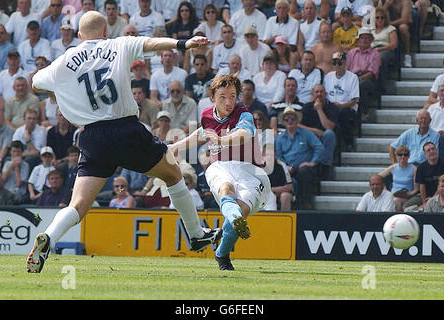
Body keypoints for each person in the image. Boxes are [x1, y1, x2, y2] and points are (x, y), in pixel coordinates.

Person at [27, 11, 221, 273]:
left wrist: (64, 87)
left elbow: (35, 83)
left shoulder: (64, 61)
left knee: (79, 205)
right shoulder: (118, 44)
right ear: (105, 31)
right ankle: (196, 235)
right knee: (174, 174)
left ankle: (48, 238)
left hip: (93, 138)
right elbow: (151, 43)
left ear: (80, 36)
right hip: (126, 129)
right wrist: (182, 44)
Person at [169, 74, 272, 271]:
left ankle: (222, 252)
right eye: (223, 96)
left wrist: (221, 140)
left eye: (233, 96)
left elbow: (244, 134)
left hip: (251, 171)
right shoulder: (207, 115)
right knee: (226, 189)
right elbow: (202, 133)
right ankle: (234, 219)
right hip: (221, 166)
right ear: (213, 97)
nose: (228, 101)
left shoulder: (244, 115)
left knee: (241, 208)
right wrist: (177, 146)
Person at [275, 107, 325, 210]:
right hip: (288, 168)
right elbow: (278, 157)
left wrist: (312, 162)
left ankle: (305, 204)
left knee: (303, 172)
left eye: (292, 118)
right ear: (283, 122)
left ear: (297, 120)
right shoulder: (279, 139)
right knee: (285, 177)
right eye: (287, 119)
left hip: (305, 167)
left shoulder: (306, 134)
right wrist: (286, 167)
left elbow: (319, 147)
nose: (290, 121)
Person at [299, 83, 339, 178]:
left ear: (326, 94)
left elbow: (329, 127)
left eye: (321, 92)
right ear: (312, 94)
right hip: (311, 137)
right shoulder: (307, 107)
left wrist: (319, 110)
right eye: (316, 92)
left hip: (325, 138)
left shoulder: (332, 107)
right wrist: (314, 131)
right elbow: (298, 124)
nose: (319, 94)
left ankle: (325, 166)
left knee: (329, 133)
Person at [324, 51, 359, 152]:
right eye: (334, 63)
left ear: (345, 63)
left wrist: (341, 106)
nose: (337, 66)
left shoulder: (353, 77)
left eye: (340, 63)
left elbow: (354, 100)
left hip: (346, 107)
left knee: (341, 114)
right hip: (331, 107)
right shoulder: (328, 76)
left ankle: (348, 142)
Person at [345, 27, 381, 119]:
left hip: (368, 79)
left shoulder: (375, 54)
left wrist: (358, 79)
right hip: (352, 76)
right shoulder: (352, 52)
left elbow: (372, 72)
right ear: (358, 40)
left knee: (361, 85)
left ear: (371, 40)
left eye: (367, 38)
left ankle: (363, 112)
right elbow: (347, 68)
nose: (364, 40)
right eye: (362, 38)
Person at [378, 145, 418, 212]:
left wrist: (409, 194)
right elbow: (378, 177)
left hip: (407, 195)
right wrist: (385, 190)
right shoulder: (393, 167)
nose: (403, 157)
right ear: (396, 156)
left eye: (405, 155)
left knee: (396, 201)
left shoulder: (414, 169)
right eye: (400, 155)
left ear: (409, 156)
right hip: (393, 194)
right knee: (393, 200)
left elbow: (416, 189)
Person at [377, 0, 413, 67]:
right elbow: (377, 17)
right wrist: (386, 5)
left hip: (398, 26)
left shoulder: (405, 2)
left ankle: (407, 54)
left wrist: (390, 23)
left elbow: (404, 19)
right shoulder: (382, 2)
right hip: (385, 26)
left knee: (403, 27)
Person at [372, 7, 398, 92]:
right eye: (377, 17)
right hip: (372, 50)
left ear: (385, 19)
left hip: (386, 50)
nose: (379, 19)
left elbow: (393, 44)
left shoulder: (390, 28)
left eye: (382, 17)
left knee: (380, 58)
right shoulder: (370, 29)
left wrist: (379, 49)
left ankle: (383, 84)